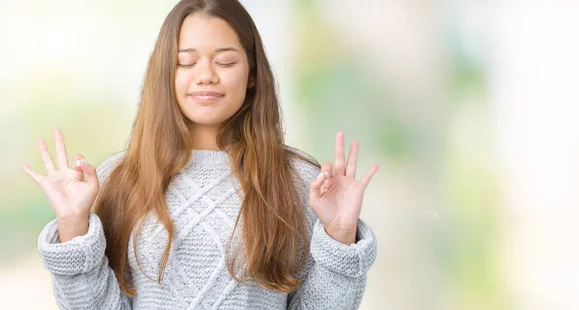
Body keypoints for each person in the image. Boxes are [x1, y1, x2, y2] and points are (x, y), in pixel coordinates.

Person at [20, 0, 380, 309]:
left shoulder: (300, 181)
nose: (206, 76)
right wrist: (73, 225)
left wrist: (340, 233)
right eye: (186, 62)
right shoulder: (121, 178)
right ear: (164, 72)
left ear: (252, 74)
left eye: (225, 62)